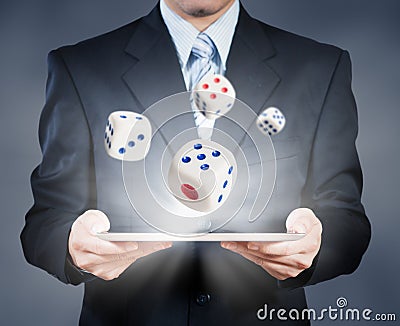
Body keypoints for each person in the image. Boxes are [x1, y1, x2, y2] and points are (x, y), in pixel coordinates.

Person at [21, 0, 371, 324]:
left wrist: (316, 244)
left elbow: (348, 220)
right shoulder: (80, 67)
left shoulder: (320, 67)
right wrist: (71, 244)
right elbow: (45, 220)